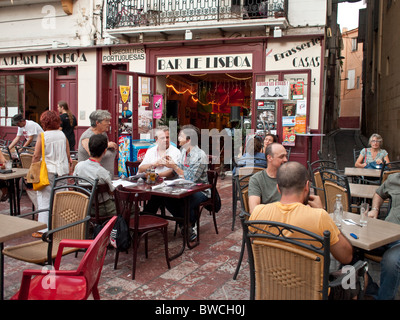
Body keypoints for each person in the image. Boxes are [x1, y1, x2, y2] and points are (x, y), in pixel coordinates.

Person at [249, 161, 353, 265]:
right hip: (309, 280)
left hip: (269, 278)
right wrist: (323, 212)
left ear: (278, 189)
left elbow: (255, 248)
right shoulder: (319, 217)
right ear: (307, 187)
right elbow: (346, 257)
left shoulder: (258, 213)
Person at [163, 124, 209, 241]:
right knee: (166, 198)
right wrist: (171, 165)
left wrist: (175, 167)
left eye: (180, 136)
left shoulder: (201, 156)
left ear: (188, 140)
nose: (178, 138)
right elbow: (178, 172)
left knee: (187, 199)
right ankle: (186, 225)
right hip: (183, 187)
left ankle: (188, 225)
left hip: (200, 189)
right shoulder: (183, 151)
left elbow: (192, 179)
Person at [31, 110, 71, 237]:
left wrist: (33, 168)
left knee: (44, 199)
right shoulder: (62, 135)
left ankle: (43, 229)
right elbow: (68, 154)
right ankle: (60, 227)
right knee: (60, 198)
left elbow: (36, 156)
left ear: (44, 122)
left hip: (47, 170)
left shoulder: (43, 136)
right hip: (62, 170)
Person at [366, 173, 400, 299]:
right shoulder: (394, 179)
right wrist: (375, 209)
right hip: (385, 234)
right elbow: (379, 193)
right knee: (348, 246)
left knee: (391, 261)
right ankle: (370, 290)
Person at [74, 134, 116, 217]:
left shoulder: (79, 166)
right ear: (104, 151)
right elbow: (112, 192)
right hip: (103, 207)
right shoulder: (102, 172)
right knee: (130, 208)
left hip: (84, 206)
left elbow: (75, 181)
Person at [248, 143, 287, 213]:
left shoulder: (289, 175)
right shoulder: (257, 179)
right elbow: (254, 209)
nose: (285, 159)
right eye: (281, 157)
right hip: (269, 221)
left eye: (286, 156)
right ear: (269, 158)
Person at [78, 110, 118, 178]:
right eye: (106, 121)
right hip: (91, 179)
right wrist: (107, 145)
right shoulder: (87, 136)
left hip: (104, 178)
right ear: (97, 123)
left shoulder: (103, 134)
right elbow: (92, 152)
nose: (109, 123)